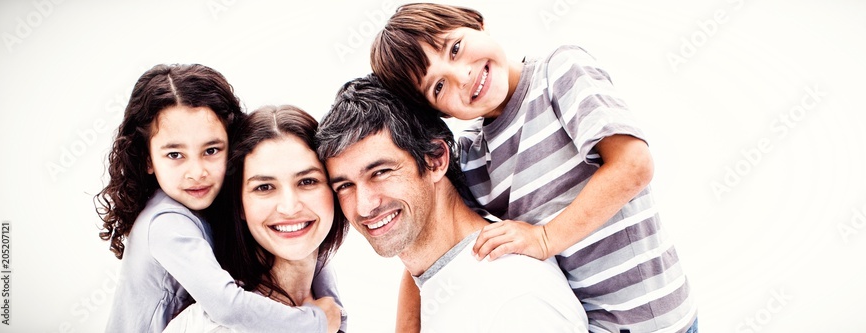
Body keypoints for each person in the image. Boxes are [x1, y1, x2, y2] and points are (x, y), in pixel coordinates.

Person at [370, 3, 697, 332]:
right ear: (439, 113)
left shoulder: (558, 73)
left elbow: (634, 165)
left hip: (663, 321)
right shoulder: (472, 157)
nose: (462, 77)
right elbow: (426, 238)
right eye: (438, 87)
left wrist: (545, 238)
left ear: (476, 22)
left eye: (455, 48)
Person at [317, 75, 588, 332]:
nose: (364, 206)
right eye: (344, 186)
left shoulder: (515, 298)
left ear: (435, 160)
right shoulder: (435, 282)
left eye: (381, 172)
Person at [95, 64, 344, 332]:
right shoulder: (166, 224)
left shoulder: (212, 201)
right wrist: (316, 322)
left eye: (211, 150)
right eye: (175, 155)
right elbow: (227, 305)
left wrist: (335, 313)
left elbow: (307, 250)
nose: (197, 172)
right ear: (147, 159)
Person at [165, 105, 348, 333]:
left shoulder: (328, 301)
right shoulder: (213, 327)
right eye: (264, 187)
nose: (289, 207)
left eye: (307, 181)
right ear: (240, 205)